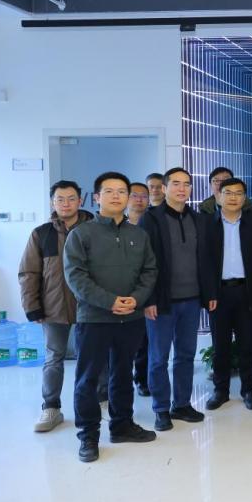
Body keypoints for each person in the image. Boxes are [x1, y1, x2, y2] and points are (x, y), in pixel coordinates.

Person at [63, 171, 158, 462]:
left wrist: (136, 299)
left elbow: (149, 271)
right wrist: (110, 302)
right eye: (109, 191)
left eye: (121, 191)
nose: (116, 196)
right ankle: (88, 435)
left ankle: (122, 425)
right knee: (88, 378)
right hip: (94, 318)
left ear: (128, 197)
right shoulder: (81, 234)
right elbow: (76, 277)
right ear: (96, 198)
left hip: (130, 317)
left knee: (123, 373)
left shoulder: (138, 234)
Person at [140, 167, 217, 432]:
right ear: (164, 188)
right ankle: (161, 409)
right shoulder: (151, 219)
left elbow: (206, 260)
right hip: (161, 301)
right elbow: (144, 262)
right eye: (176, 183)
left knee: (185, 355)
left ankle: (181, 404)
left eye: (186, 184)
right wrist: (148, 299)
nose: (182, 188)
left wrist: (209, 294)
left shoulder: (198, 219)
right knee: (158, 357)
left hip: (191, 300)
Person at [18, 180, 95, 433]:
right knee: (54, 358)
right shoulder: (41, 234)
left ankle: (98, 403)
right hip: (53, 307)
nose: (65, 204)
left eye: (71, 198)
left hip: (90, 306)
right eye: (60, 199)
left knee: (94, 357)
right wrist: (32, 306)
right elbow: (29, 272)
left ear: (80, 201)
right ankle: (51, 407)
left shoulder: (94, 229)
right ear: (52, 202)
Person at [204, 178, 252, 411]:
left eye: (239, 193)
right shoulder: (208, 224)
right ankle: (221, 390)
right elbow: (203, 263)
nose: (233, 197)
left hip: (246, 291)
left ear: (245, 198)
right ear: (219, 196)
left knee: (248, 343)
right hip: (219, 293)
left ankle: (248, 389)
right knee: (221, 346)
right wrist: (209, 293)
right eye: (228, 192)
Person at [126, 181, 151, 396]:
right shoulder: (118, 224)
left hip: (146, 290)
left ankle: (142, 379)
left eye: (144, 196)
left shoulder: (152, 223)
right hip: (120, 291)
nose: (140, 199)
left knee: (145, 340)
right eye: (135, 195)